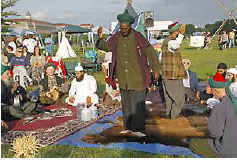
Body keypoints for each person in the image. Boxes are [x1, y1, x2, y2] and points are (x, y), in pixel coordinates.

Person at [96, 9, 160, 137]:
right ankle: (128, 127)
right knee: (126, 104)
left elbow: (150, 52)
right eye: (122, 28)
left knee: (138, 105)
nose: (124, 30)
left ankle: (139, 130)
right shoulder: (116, 37)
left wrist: (156, 69)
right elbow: (107, 47)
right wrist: (100, 39)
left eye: (126, 28)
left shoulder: (138, 36)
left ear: (130, 26)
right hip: (123, 78)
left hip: (138, 77)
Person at [190, 72, 237, 157]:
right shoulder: (233, 101)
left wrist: (208, 124)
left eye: (209, 87)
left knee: (193, 142)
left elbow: (214, 133)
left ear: (215, 90)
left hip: (228, 150)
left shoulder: (220, 107)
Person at [160, 22, 187, 119]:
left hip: (168, 75)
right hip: (172, 76)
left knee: (170, 100)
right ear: (176, 31)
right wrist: (182, 34)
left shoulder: (165, 41)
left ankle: (169, 118)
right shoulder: (170, 42)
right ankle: (173, 119)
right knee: (180, 100)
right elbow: (176, 45)